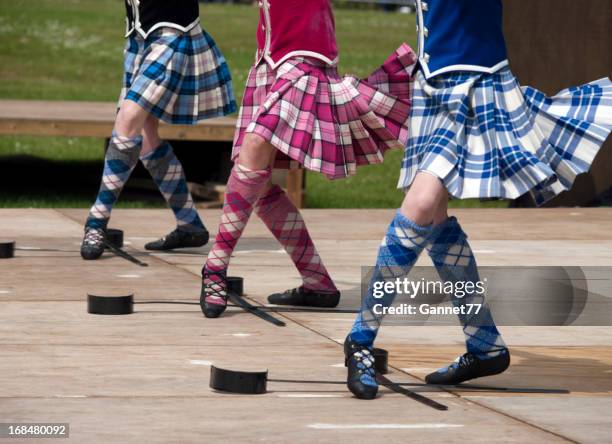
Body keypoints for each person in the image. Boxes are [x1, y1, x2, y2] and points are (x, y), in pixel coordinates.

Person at [345, 0, 612, 399]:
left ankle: (360, 339)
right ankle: (484, 342)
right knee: (432, 218)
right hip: (434, 88)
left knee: (419, 206)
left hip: (474, 87)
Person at [199, 0, 416, 318]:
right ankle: (317, 283)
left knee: (256, 146)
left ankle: (214, 267)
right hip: (272, 57)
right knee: (254, 182)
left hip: (304, 59)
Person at [80, 0, 236, 260]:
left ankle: (96, 221)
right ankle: (190, 225)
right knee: (147, 138)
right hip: (139, 37)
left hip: (171, 36)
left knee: (129, 119)